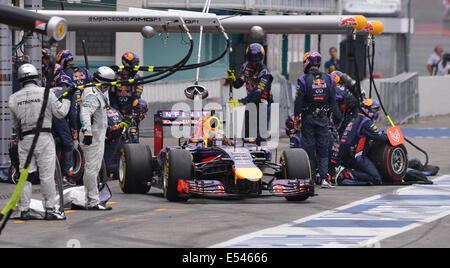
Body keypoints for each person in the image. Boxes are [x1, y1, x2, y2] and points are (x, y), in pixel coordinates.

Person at [9, 63, 71, 220]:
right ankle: (50, 209)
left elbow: (15, 124)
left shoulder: (13, 99)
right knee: (46, 176)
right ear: (36, 78)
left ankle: (24, 210)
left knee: (25, 176)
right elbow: (61, 113)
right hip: (44, 138)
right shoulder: (47, 93)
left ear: (21, 80)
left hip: (25, 140)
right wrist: (68, 99)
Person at [294, 51, 340, 188]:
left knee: (309, 147)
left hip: (308, 118)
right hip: (323, 118)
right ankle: (325, 178)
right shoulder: (329, 79)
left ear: (308, 62)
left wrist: (297, 118)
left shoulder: (302, 80)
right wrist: (332, 118)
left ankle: (312, 178)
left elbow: (298, 101)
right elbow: (333, 101)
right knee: (323, 148)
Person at [79, 66, 115, 210]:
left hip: (97, 136)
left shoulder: (97, 93)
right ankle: (93, 201)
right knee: (92, 169)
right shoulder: (92, 94)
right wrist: (87, 132)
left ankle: (90, 199)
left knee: (93, 168)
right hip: (92, 137)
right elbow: (85, 113)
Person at [226, 43, 273, 145]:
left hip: (262, 105)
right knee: (246, 136)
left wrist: (242, 101)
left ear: (262, 57)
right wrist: (232, 79)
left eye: (257, 57)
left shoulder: (266, 73)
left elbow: (258, 92)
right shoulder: (245, 67)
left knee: (260, 137)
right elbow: (238, 84)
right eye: (252, 57)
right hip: (250, 105)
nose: (254, 60)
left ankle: (262, 158)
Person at [336, 99, 388, 185]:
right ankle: (348, 174)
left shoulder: (355, 119)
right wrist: (390, 135)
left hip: (346, 157)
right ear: (366, 109)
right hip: (357, 158)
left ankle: (347, 174)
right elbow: (380, 137)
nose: (376, 112)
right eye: (374, 109)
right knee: (376, 179)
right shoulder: (366, 122)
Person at [109, 52, 145, 142]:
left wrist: (130, 111)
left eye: (137, 64)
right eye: (134, 64)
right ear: (126, 64)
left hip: (131, 110)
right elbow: (111, 95)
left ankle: (135, 152)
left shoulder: (138, 78)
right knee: (118, 136)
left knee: (133, 135)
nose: (136, 66)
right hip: (117, 110)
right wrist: (116, 110)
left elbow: (137, 95)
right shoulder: (116, 77)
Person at [51, 73, 79, 184]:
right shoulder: (70, 91)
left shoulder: (50, 90)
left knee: (50, 146)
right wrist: (74, 134)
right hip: (59, 117)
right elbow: (72, 114)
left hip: (46, 118)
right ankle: (66, 176)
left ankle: (52, 176)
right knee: (69, 145)